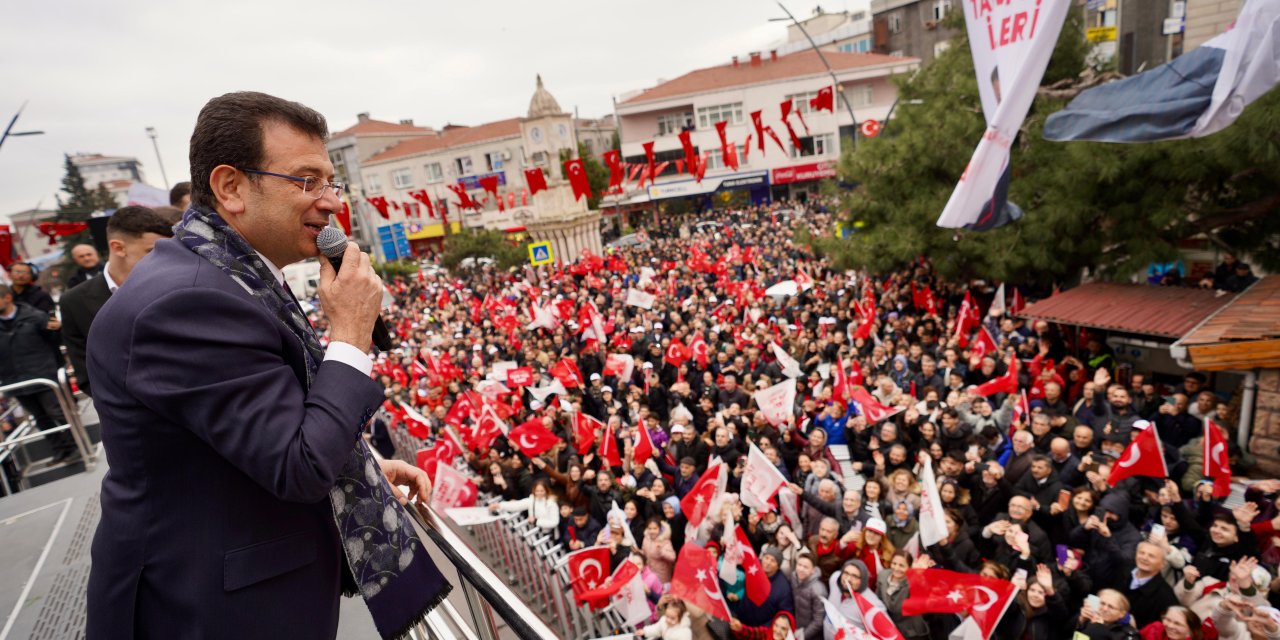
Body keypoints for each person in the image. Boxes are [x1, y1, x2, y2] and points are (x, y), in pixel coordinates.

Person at [85, 92, 449, 639]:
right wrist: (350, 334)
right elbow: (296, 465)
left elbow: (250, 428)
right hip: (206, 612)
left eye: (331, 182)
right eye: (306, 181)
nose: (329, 203)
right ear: (231, 187)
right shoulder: (185, 301)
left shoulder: (225, 275)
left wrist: (356, 465)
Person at [59, 206, 173, 397]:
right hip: (132, 417)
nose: (165, 259)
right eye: (152, 251)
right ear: (118, 248)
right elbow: (86, 374)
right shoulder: (75, 301)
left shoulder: (178, 284)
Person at [0, 283, 78, 462]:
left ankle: (76, 446)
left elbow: (56, 339)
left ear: (7, 298)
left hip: (42, 376)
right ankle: (60, 450)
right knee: (40, 418)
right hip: (15, 381)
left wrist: (57, 329)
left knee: (58, 413)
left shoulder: (34, 316)